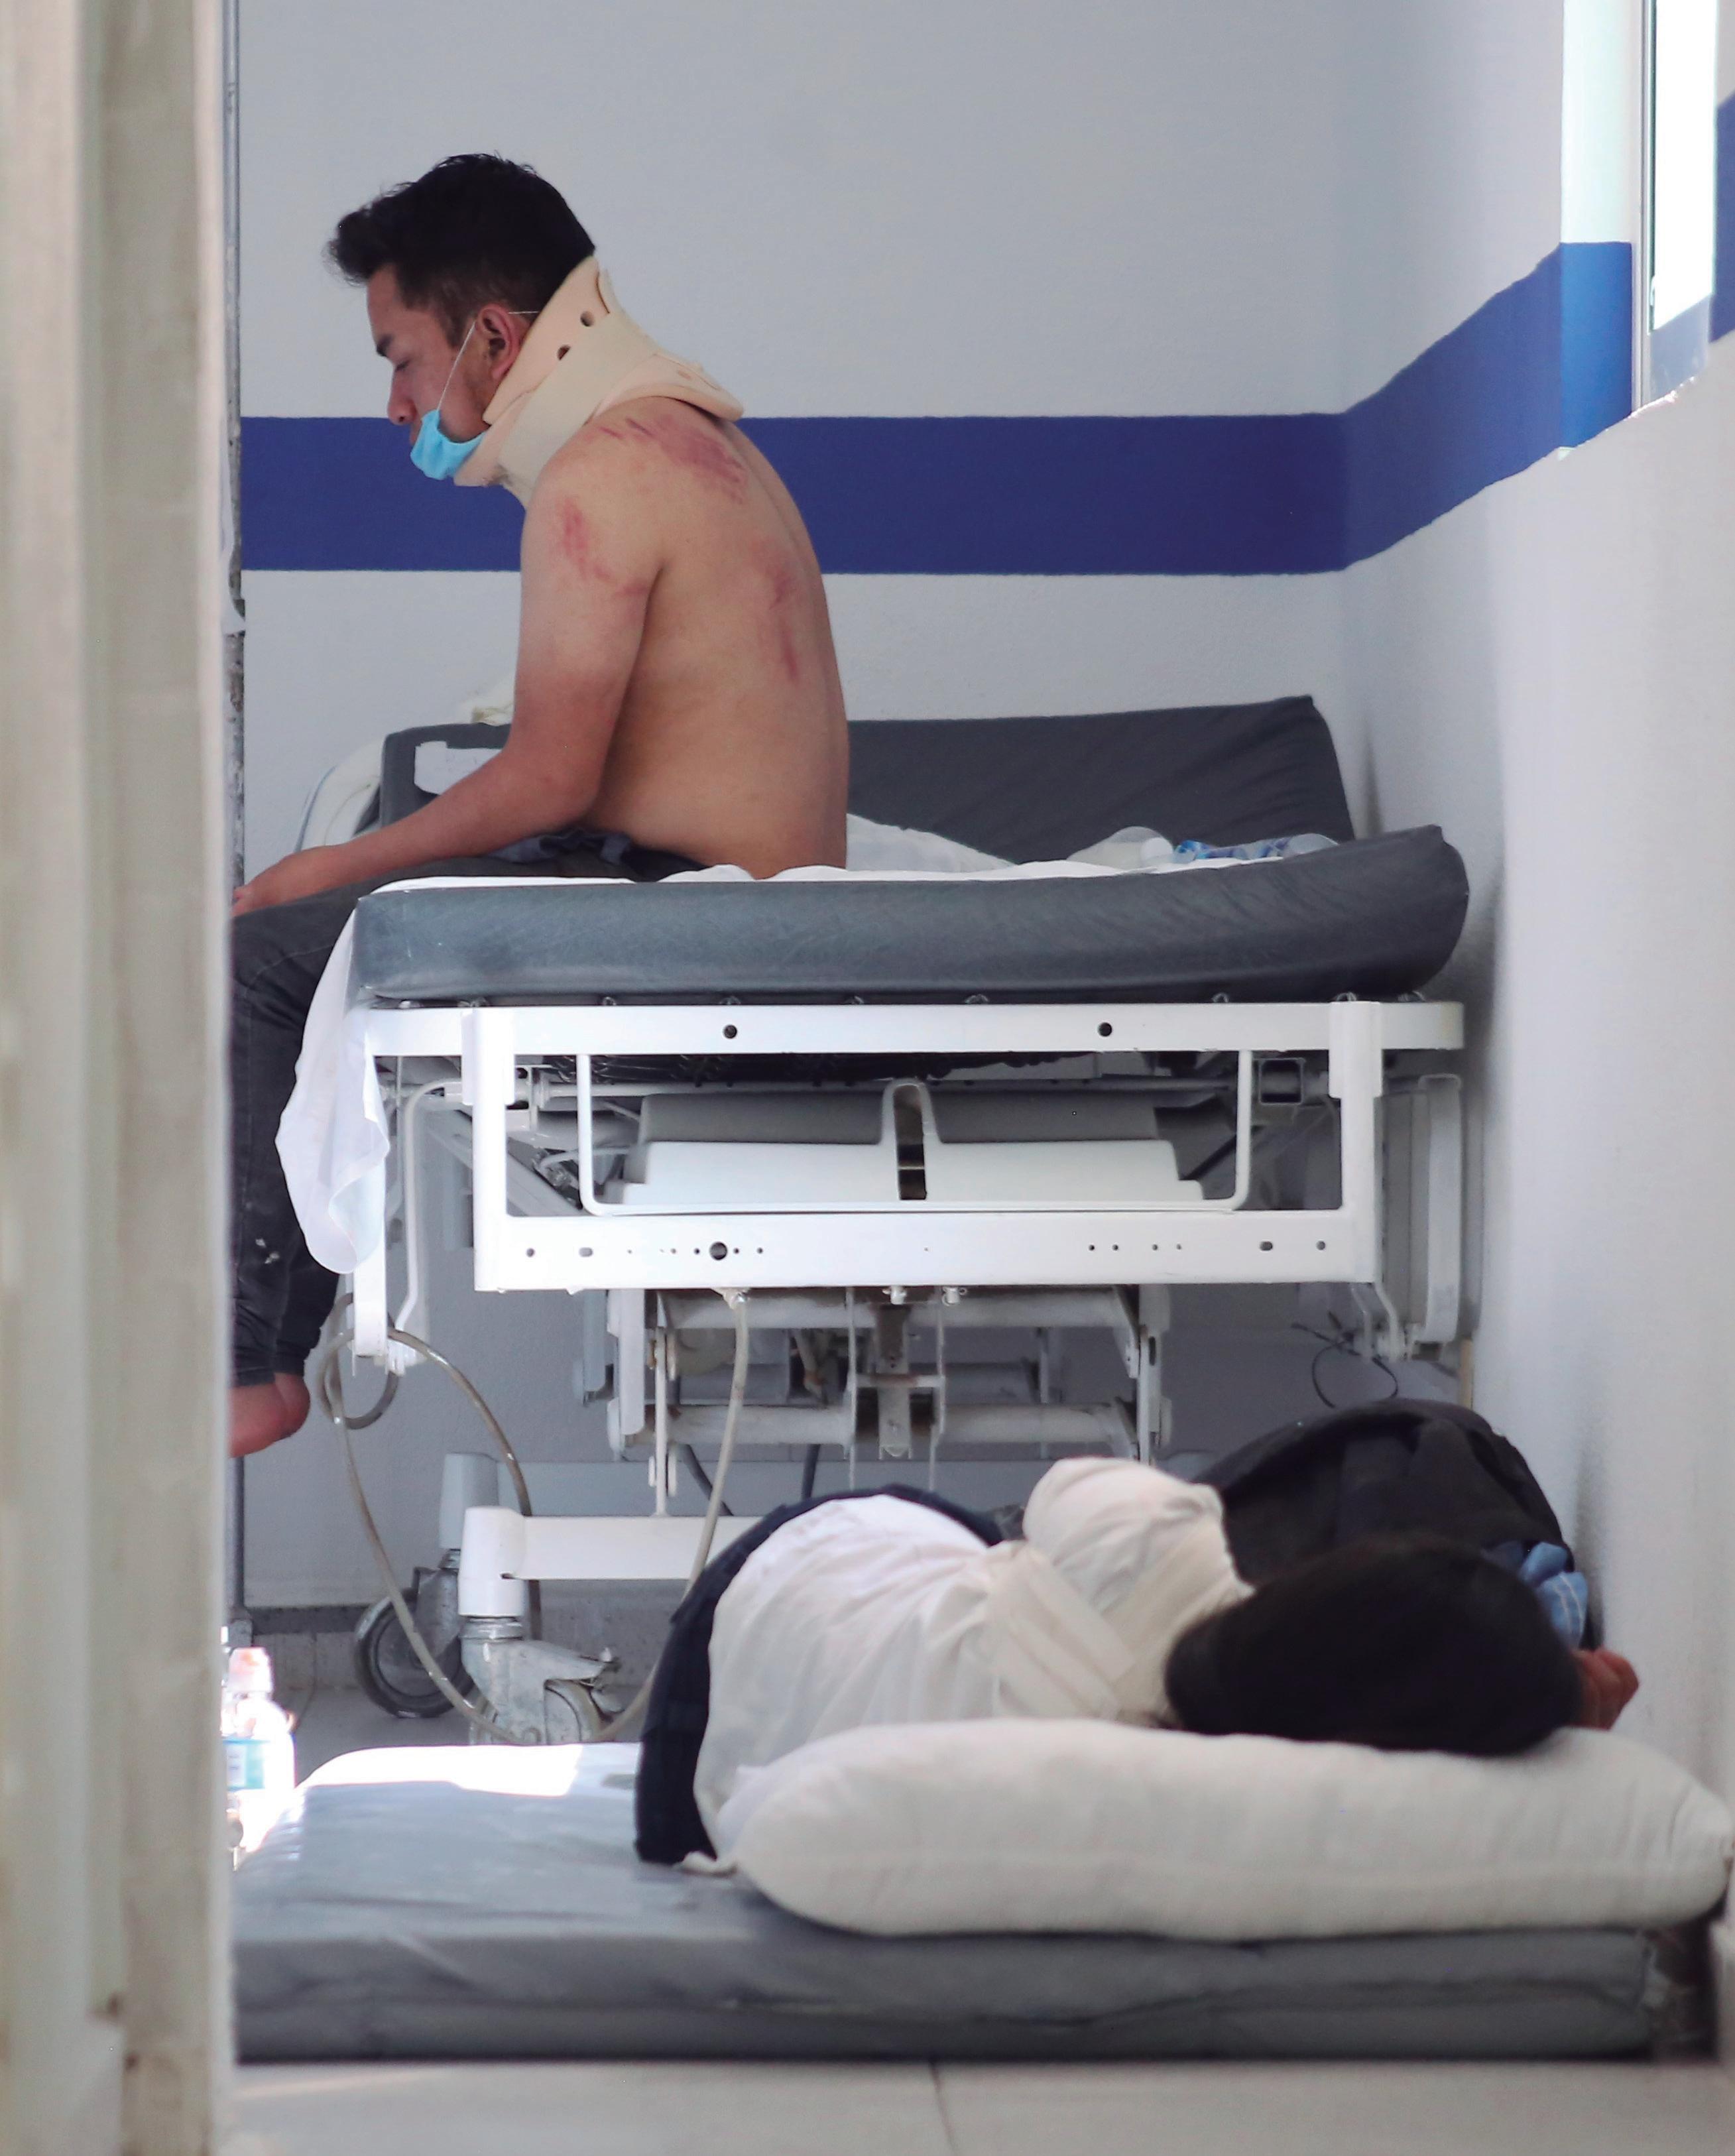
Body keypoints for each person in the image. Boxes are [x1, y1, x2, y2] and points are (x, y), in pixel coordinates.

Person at [229, 155, 849, 1458]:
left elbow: (551, 778)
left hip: (685, 909)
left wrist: (328, 868)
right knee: (321, 925)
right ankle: (260, 1354)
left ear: (497, 340)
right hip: (705, 892)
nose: (397, 406)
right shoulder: (697, 445)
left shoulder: (603, 475)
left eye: (403, 360)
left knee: (257, 961)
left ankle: (246, 1375)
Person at [636, 1458, 1640, 1864]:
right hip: (696, 1798)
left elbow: (1067, 1486)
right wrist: (1542, 1703)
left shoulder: (1154, 1547)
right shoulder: (1269, 1824)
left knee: (991, 1559)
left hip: (799, 1576)